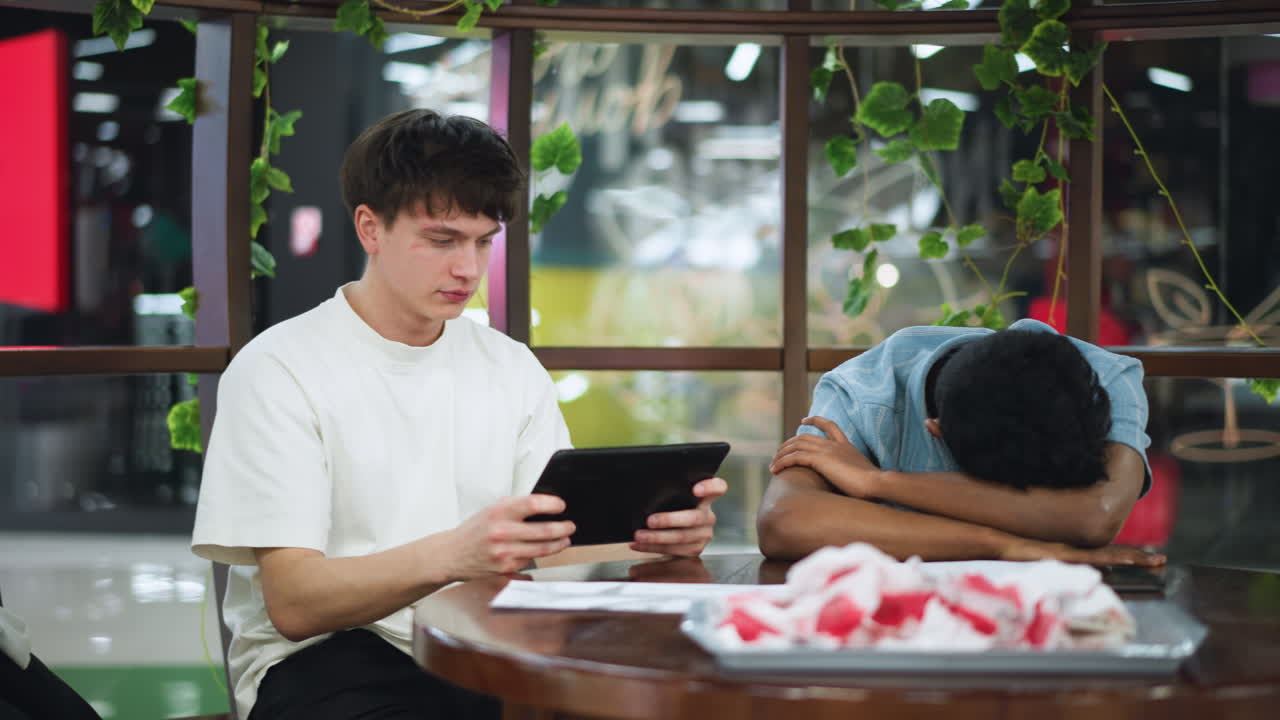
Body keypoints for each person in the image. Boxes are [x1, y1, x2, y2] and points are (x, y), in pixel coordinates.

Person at [191, 109, 726, 720]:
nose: (467, 270)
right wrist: (456, 555)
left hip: (488, 638)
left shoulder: (509, 366)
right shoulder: (279, 369)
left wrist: (651, 541)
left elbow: (552, 547)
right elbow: (295, 604)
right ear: (370, 227)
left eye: (483, 242)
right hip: (329, 657)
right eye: (442, 240)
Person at [757, 319, 1167, 566]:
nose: (1017, 510)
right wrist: (1005, 543)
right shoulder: (862, 394)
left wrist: (879, 483)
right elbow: (783, 521)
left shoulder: (1104, 379)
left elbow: (1094, 515)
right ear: (936, 431)